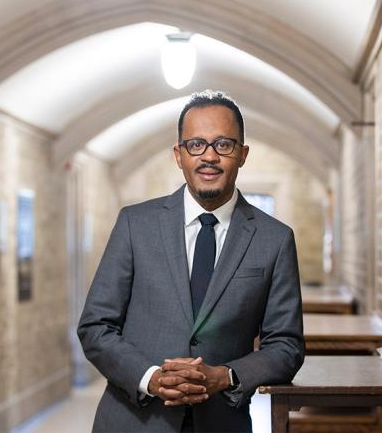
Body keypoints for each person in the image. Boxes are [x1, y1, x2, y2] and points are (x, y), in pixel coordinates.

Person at [78, 90, 305, 432]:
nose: (209, 156)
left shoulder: (275, 239)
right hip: (133, 421)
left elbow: (286, 346)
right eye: (196, 144)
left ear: (242, 154)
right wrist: (151, 378)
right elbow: (95, 327)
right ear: (178, 154)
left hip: (221, 422)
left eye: (223, 144)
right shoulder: (134, 224)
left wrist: (226, 376)